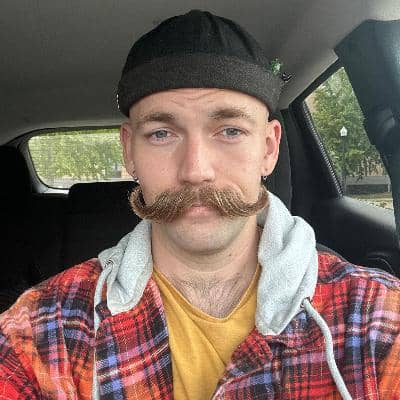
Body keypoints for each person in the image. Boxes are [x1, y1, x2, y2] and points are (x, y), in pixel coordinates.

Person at [0, 9, 399, 400]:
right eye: (161, 134)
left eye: (230, 131)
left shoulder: (375, 318)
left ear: (268, 148)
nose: (195, 171)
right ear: (129, 152)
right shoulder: (43, 332)